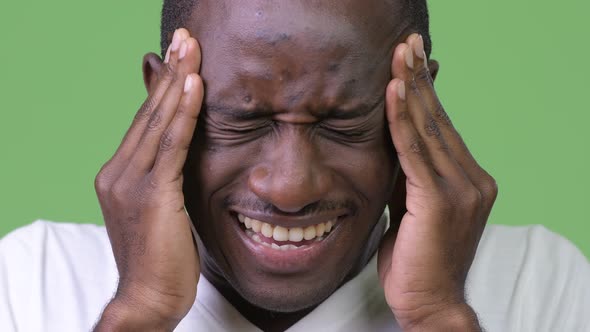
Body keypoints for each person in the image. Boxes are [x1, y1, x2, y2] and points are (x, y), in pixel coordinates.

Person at [1, 0, 589, 331]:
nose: (289, 187)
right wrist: (141, 312)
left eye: (342, 122)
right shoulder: (32, 284)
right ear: (162, 98)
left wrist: (439, 316)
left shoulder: (539, 283)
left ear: (419, 104)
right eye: (243, 118)